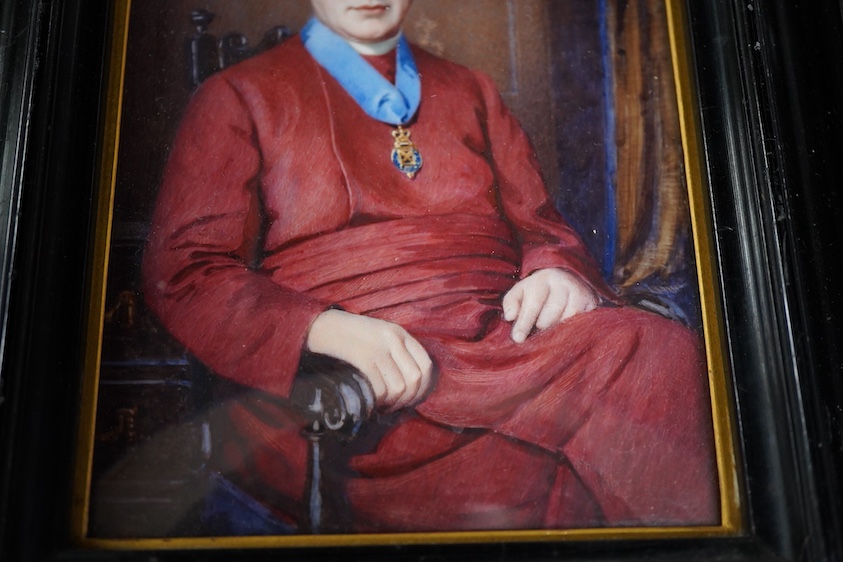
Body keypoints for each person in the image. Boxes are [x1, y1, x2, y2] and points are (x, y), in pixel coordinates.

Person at [143, 0, 719, 533]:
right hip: (360, 380)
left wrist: (554, 269)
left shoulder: (471, 89)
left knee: (662, 356)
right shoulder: (238, 95)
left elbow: (542, 229)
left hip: (502, 346)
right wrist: (322, 328)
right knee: (516, 476)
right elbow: (187, 271)